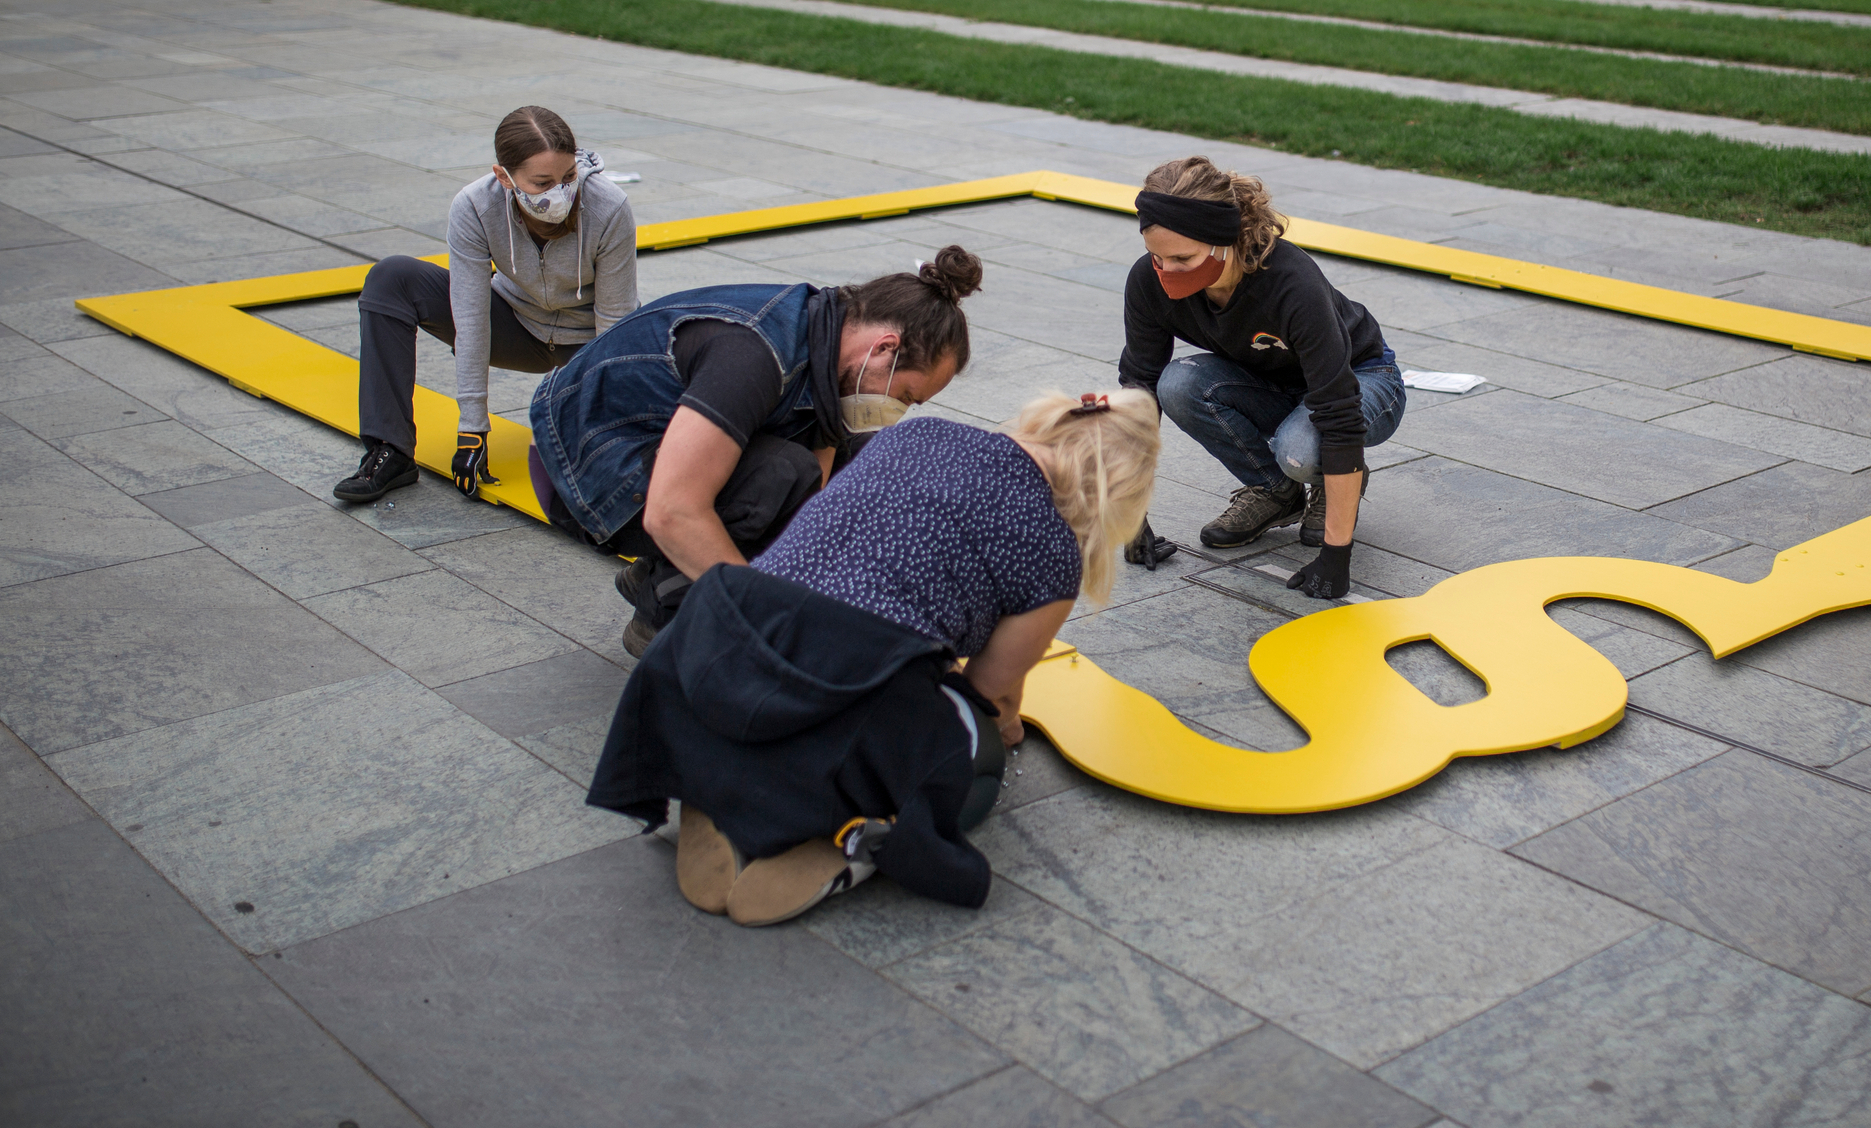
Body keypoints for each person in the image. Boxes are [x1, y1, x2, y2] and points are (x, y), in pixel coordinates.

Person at [586, 388, 1160, 925]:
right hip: (854, 685)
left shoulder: (920, 434)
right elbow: (994, 689)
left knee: (827, 676)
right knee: (976, 755)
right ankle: (856, 842)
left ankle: (715, 789)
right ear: (1116, 490)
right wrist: (1003, 729)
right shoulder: (1054, 552)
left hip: (721, 639)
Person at [527, 246, 985, 656]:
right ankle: (667, 606)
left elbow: (814, 507)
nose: (897, 410)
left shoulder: (829, 335)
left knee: (873, 457)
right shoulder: (751, 355)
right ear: (885, 348)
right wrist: (765, 617)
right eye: (904, 396)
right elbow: (672, 511)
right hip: (586, 469)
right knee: (784, 474)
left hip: (659, 452)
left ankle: (666, 570)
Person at [1116, 156, 1406, 600]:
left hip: (1363, 378)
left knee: (1302, 448)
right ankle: (1276, 492)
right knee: (1175, 383)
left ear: (1225, 240)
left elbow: (1339, 412)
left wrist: (1336, 553)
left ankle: (1333, 478)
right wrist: (1131, 514)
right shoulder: (1147, 282)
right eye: (1157, 256)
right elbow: (1138, 389)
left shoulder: (1291, 284)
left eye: (1182, 258)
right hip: (1271, 381)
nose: (1166, 272)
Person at [334, 106, 636, 505]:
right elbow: (471, 316)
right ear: (504, 177)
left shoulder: (608, 206)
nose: (560, 193)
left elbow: (614, 324)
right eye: (542, 182)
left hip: (585, 344)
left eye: (567, 177)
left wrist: (608, 436)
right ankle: (389, 451)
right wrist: (472, 427)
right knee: (392, 279)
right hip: (514, 326)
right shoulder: (475, 206)